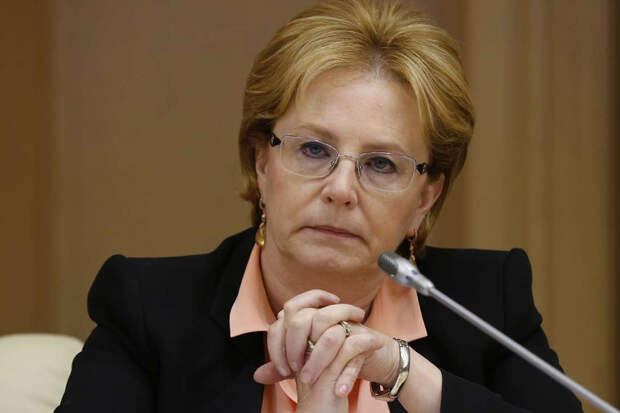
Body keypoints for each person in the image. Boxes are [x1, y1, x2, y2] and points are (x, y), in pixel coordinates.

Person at [56, 0, 584, 412]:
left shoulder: (487, 305)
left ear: (426, 196)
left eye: (382, 163)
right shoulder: (150, 312)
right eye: (313, 150)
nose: (341, 189)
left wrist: (402, 370)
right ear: (262, 162)